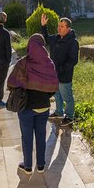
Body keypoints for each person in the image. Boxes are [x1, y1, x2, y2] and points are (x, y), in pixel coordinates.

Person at [7, 34, 59, 174]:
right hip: (43, 107)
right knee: (41, 136)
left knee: (27, 137)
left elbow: (11, 83)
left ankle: (28, 166)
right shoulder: (49, 63)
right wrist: (45, 95)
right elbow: (54, 86)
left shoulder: (23, 62)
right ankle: (41, 165)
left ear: (30, 45)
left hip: (26, 107)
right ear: (43, 45)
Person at [40, 14, 79, 127]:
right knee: (57, 95)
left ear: (68, 28)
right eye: (58, 26)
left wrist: (59, 70)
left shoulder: (73, 42)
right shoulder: (56, 38)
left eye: (62, 26)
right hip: (54, 74)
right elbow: (45, 39)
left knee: (67, 96)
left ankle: (70, 116)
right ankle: (58, 112)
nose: (59, 28)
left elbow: (73, 61)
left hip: (64, 75)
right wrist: (43, 26)